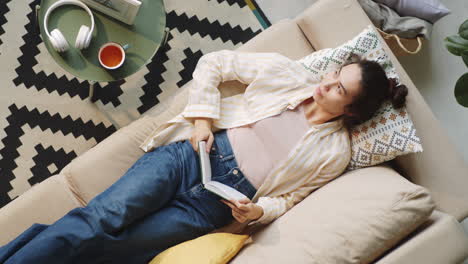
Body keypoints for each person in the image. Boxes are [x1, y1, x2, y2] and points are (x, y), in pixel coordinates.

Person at [0, 50, 408, 264]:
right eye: (334, 75)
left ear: (351, 111)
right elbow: (215, 63)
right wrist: (203, 121)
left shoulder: (335, 152)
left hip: (213, 208)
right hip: (189, 157)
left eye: (339, 89)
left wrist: (258, 212)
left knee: (119, 251)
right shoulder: (288, 75)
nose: (326, 85)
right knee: (99, 222)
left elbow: (290, 199)